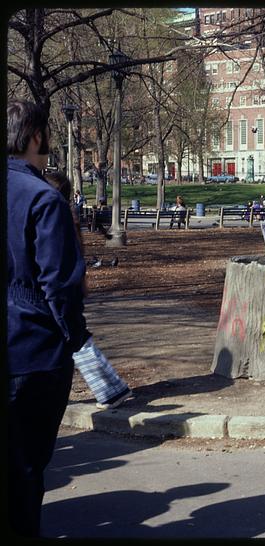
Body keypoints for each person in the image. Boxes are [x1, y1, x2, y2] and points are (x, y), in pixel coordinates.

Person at [7, 99, 87, 537]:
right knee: (26, 473)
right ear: (37, 136)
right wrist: (76, 339)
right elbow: (59, 285)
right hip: (32, 353)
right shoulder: (43, 198)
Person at [45, 171, 133, 410]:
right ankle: (111, 389)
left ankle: (111, 390)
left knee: (76, 340)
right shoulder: (65, 216)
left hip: (63, 290)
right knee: (73, 339)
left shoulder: (57, 218)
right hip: (69, 287)